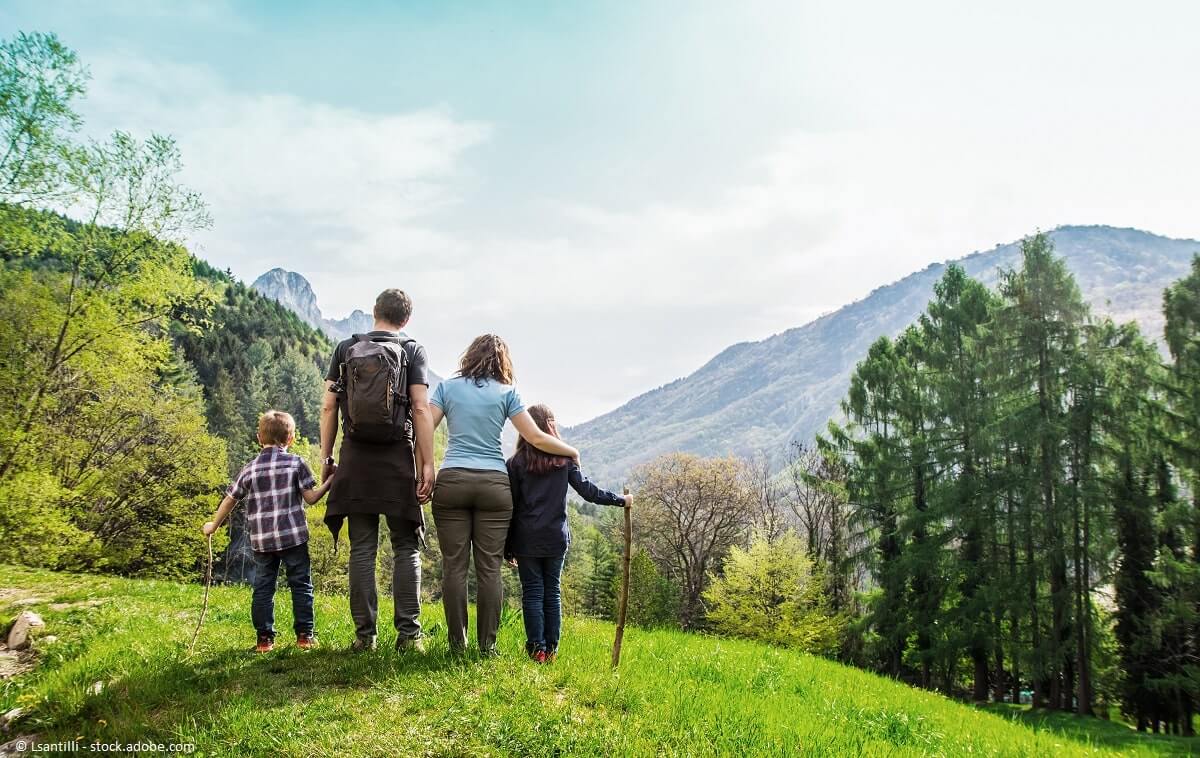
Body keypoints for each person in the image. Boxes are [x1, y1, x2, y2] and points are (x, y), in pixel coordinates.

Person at [430, 334, 580, 655]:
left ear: (469, 356)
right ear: (503, 362)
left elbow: (423, 427)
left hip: (452, 480)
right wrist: (570, 451)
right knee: (489, 569)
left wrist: (424, 468)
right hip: (493, 486)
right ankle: (487, 646)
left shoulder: (447, 388)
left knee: (454, 568)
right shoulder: (507, 392)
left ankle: (457, 645)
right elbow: (536, 437)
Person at [319, 288, 435, 652]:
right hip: (397, 455)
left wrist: (327, 458)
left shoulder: (345, 348)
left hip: (355, 457)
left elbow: (328, 407)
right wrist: (426, 463)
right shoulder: (413, 350)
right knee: (405, 547)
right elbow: (419, 408)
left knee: (362, 549)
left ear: (374, 312)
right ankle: (409, 636)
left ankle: (364, 637)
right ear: (407, 319)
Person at [505, 404, 631, 663]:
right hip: (555, 537)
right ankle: (551, 650)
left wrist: (507, 545)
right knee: (552, 592)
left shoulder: (515, 463)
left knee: (532, 592)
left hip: (526, 538)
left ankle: (536, 650)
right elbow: (589, 493)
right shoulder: (564, 461)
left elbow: (512, 506)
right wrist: (622, 500)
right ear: (551, 426)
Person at [203, 410, 332, 653]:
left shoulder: (250, 469)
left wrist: (214, 525)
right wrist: (329, 483)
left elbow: (230, 499)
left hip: (262, 540)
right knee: (301, 584)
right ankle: (305, 636)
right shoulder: (297, 463)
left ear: (258, 438)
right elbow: (312, 498)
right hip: (293, 537)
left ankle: (264, 640)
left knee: (263, 587)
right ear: (290, 439)